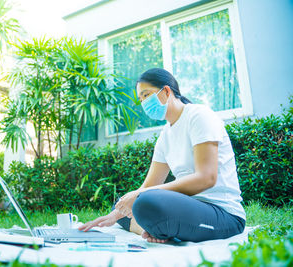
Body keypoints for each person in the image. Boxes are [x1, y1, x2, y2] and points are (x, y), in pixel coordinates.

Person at [78, 68, 246, 243]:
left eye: (146, 94)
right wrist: (113, 216)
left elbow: (206, 178)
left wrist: (139, 196)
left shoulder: (199, 116)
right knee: (125, 203)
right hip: (187, 210)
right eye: (141, 98)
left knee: (144, 202)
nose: (143, 102)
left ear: (166, 91)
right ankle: (156, 228)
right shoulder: (165, 135)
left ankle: (153, 227)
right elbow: (149, 185)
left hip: (224, 215)